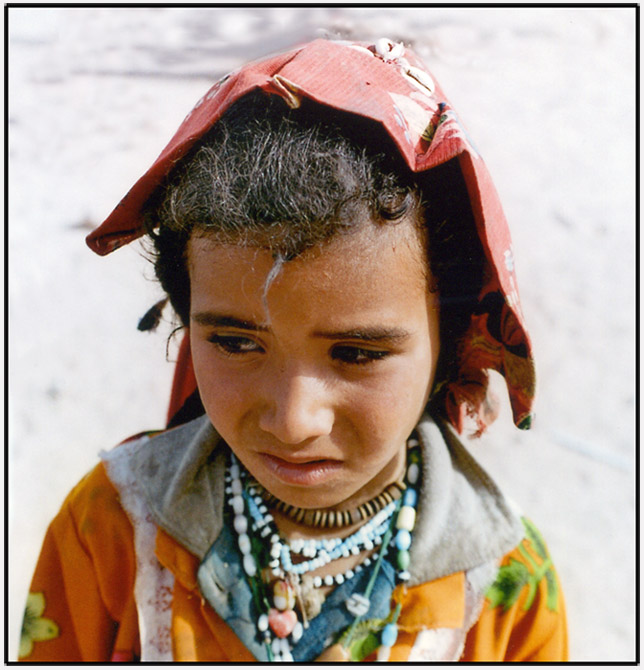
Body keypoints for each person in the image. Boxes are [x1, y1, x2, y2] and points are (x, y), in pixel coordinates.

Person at [19, 37, 568, 662]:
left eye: (357, 354)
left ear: (453, 342)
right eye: (233, 341)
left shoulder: (503, 588)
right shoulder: (113, 530)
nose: (293, 419)